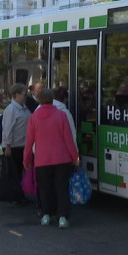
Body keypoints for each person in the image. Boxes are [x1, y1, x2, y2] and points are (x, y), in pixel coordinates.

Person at [24, 88, 80, 229]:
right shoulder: (61, 115)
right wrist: (75, 156)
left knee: (44, 189)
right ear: (52, 99)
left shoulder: (34, 117)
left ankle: (45, 216)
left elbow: (29, 141)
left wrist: (26, 160)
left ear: (39, 100)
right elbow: (68, 139)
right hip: (62, 159)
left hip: (42, 160)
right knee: (61, 189)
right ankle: (62, 218)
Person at [1, 83, 32, 203]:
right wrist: (7, 146)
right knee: (14, 174)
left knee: (20, 172)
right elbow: (8, 129)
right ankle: (15, 197)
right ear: (16, 95)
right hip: (13, 146)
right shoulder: (11, 109)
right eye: (24, 94)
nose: (26, 97)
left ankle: (20, 195)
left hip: (22, 145)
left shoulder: (24, 107)